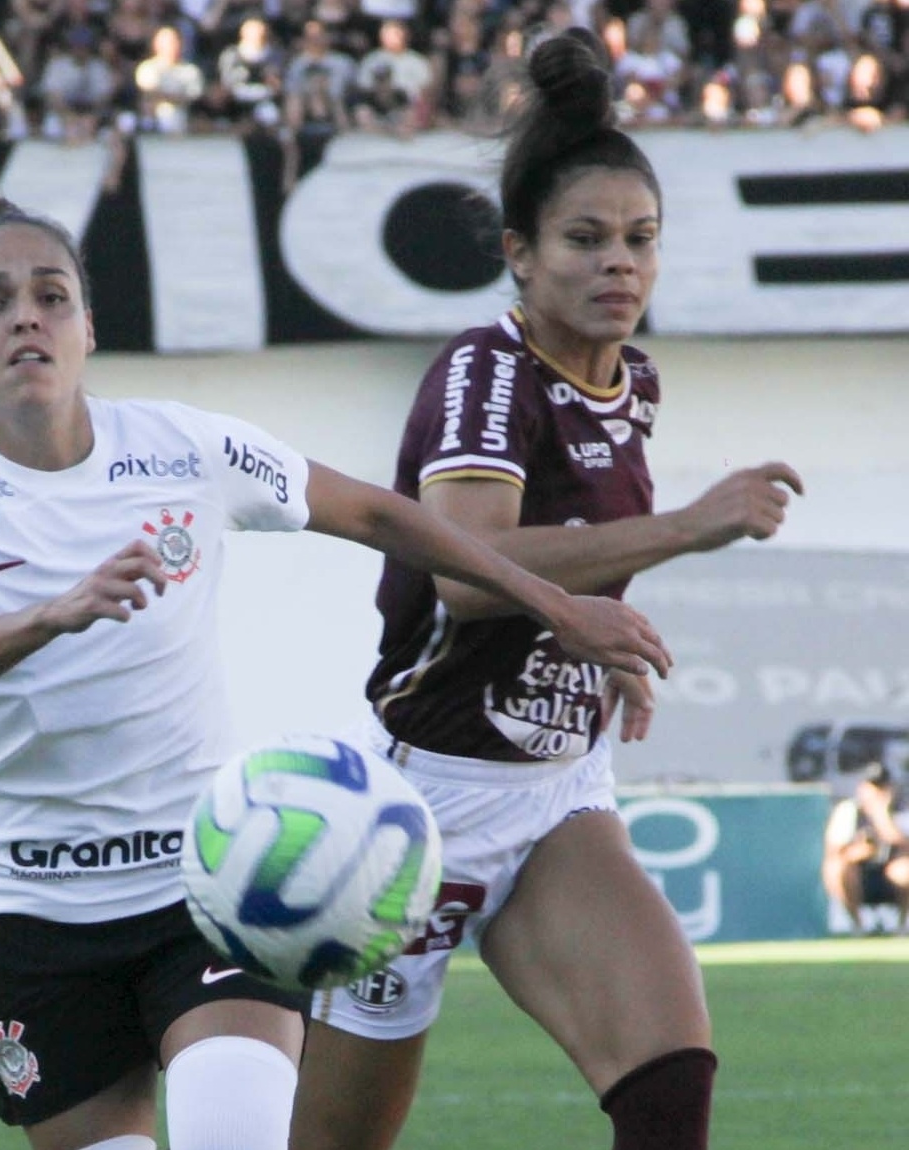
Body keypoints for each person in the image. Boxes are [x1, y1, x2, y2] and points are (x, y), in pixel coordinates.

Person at [0, 192, 670, 1150]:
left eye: (51, 295)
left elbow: (379, 513)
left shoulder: (183, 446)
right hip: (29, 913)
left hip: (209, 886)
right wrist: (59, 609)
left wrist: (555, 605)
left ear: (89, 324)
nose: (25, 317)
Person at [288, 30, 803, 1150]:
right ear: (518, 254)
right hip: (423, 805)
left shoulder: (632, 381)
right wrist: (687, 525)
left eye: (639, 239)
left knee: (669, 1084)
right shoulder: (486, 366)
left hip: (557, 790)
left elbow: (571, 556)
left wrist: (596, 648)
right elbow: (472, 572)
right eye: (585, 239)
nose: (618, 262)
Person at [822, 762, 909, 935]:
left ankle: (901, 925)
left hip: (889, 875)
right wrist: (859, 852)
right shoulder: (849, 810)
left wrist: (881, 816)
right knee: (839, 868)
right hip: (859, 875)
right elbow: (834, 851)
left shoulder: (900, 810)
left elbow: (903, 844)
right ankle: (858, 926)